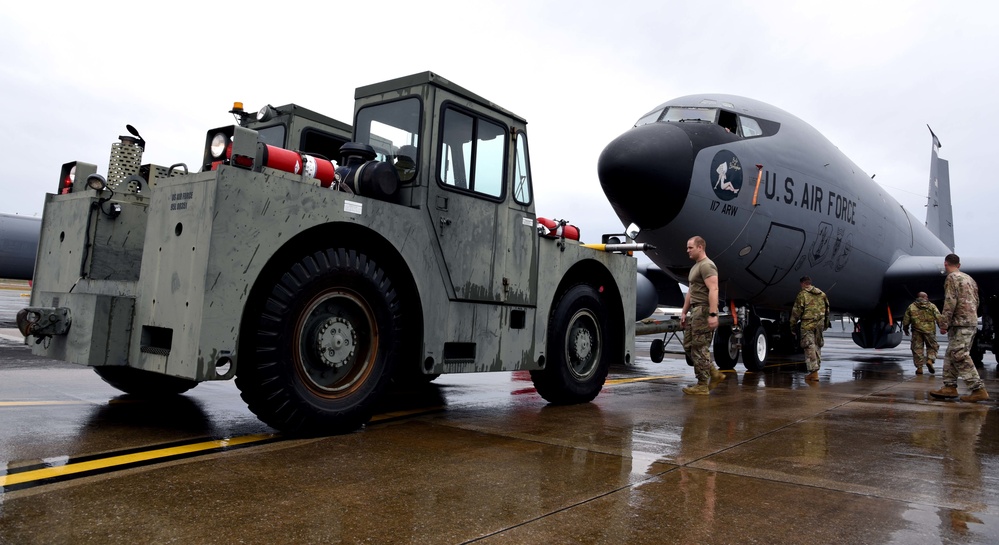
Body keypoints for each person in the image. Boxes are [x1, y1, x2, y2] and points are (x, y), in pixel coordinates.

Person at [930, 254, 989, 402]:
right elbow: (976, 301)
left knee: (959, 354)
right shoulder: (970, 279)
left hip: (960, 322)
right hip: (969, 321)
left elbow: (950, 302)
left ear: (945, 264)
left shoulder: (952, 278)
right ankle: (949, 387)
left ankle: (978, 389)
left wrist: (943, 323)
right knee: (951, 354)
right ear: (959, 265)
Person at [679, 236, 725, 395]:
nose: (687, 250)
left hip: (704, 310)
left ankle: (702, 385)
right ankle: (713, 373)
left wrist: (713, 313)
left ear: (700, 247)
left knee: (699, 347)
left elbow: (714, 289)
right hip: (695, 310)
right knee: (689, 345)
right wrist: (684, 311)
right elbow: (691, 291)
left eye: (690, 247)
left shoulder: (707, 266)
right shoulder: (696, 267)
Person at [790, 276, 830, 381]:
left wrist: (793, 327)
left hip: (807, 324)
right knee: (817, 346)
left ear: (802, 283)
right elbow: (827, 312)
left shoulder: (802, 295)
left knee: (809, 346)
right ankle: (816, 370)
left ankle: (814, 372)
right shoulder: (822, 294)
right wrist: (825, 325)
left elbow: (795, 313)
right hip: (819, 324)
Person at [902, 291, 941, 375]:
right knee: (932, 347)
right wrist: (942, 327)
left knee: (917, 349)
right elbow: (938, 317)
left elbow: (906, 319)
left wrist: (905, 328)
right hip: (929, 331)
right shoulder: (932, 306)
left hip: (916, 331)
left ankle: (919, 368)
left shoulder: (911, 306)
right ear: (925, 297)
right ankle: (930, 360)